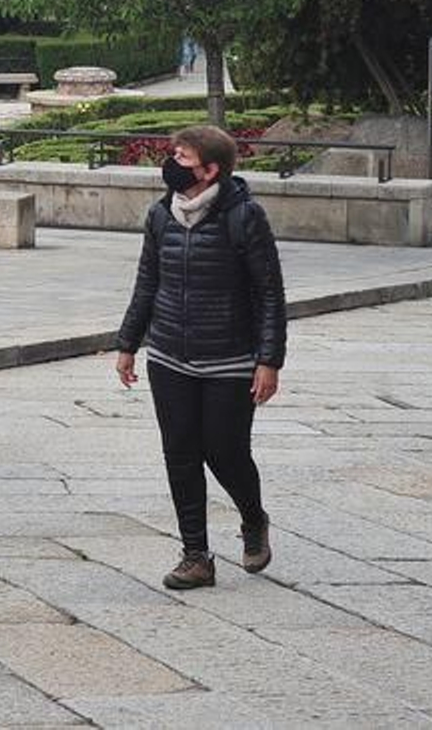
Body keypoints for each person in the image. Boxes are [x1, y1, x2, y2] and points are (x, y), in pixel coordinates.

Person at [113, 125, 286, 590]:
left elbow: (269, 293)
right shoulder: (160, 215)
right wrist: (128, 343)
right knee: (180, 454)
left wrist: (269, 360)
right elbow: (147, 280)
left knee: (225, 452)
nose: (172, 163)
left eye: (182, 157)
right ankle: (196, 556)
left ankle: (253, 518)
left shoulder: (245, 216)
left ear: (210, 171)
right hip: (169, 354)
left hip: (229, 358)